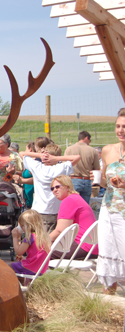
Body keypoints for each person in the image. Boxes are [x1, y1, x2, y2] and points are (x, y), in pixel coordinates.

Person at [96, 108, 125, 295]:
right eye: (118, 126)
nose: (121, 130)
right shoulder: (107, 150)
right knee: (107, 249)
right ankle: (108, 297)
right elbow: (107, 182)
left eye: (124, 127)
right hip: (108, 208)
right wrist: (99, 179)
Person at [20, 143, 81, 233]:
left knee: (39, 238)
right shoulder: (61, 168)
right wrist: (57, 159)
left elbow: (22, 153)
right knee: (55, 238)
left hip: (39, 209)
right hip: (57, 210)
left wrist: (40, 155)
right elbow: (77, 157)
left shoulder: (37, 167)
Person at [49, 175, 98, 259]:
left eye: (57, 187)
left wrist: (41, 241)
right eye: (52, 188)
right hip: (92, 247)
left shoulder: (69, 200)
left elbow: (60, 231)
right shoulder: (76, 198)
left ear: (67, 187)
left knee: (41, 249)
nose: (54, 190)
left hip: (82, 246)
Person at [11, 210, 51, 279]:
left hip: (31, 269)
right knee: (19, 264)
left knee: (9, 267)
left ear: (29, 226)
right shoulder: (43, 236)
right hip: (41, 269)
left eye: (22, 225)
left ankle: (15, 287)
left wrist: (15, 237)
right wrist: (25, 259)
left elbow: (18, 252)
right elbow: (37, 255)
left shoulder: (30, 237)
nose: (21, 228)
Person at [64, 131, 100, 203]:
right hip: (87, 180)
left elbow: (64, 166)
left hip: (73, 179)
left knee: (72, 205)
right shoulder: (92, 150)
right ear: (86, 138)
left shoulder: (69, 149)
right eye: (89, 140)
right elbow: (97, 169)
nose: (89, 142)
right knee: (84, 207)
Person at [13, 142, 35, 209]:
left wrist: (22, 180)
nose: (25, 151)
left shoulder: (35, 162)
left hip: (32, 194)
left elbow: (36, 178)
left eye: (26, 149)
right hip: (27, 195)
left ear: (30, 150)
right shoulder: (28, 162)